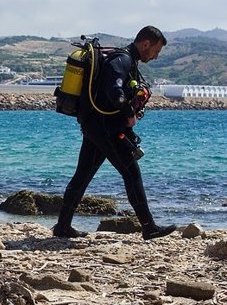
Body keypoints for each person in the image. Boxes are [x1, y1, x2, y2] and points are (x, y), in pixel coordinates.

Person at [53, 25, 176, 240]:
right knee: (131, 173)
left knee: (82, 176)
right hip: (106, 128)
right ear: (145, 44)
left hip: (95, 126)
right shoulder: (123, 60)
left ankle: (63, 226)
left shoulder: (126, 60)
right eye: (156, 51)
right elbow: (114, 91)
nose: (156, 57)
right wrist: (129, 113)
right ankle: (148, 227)